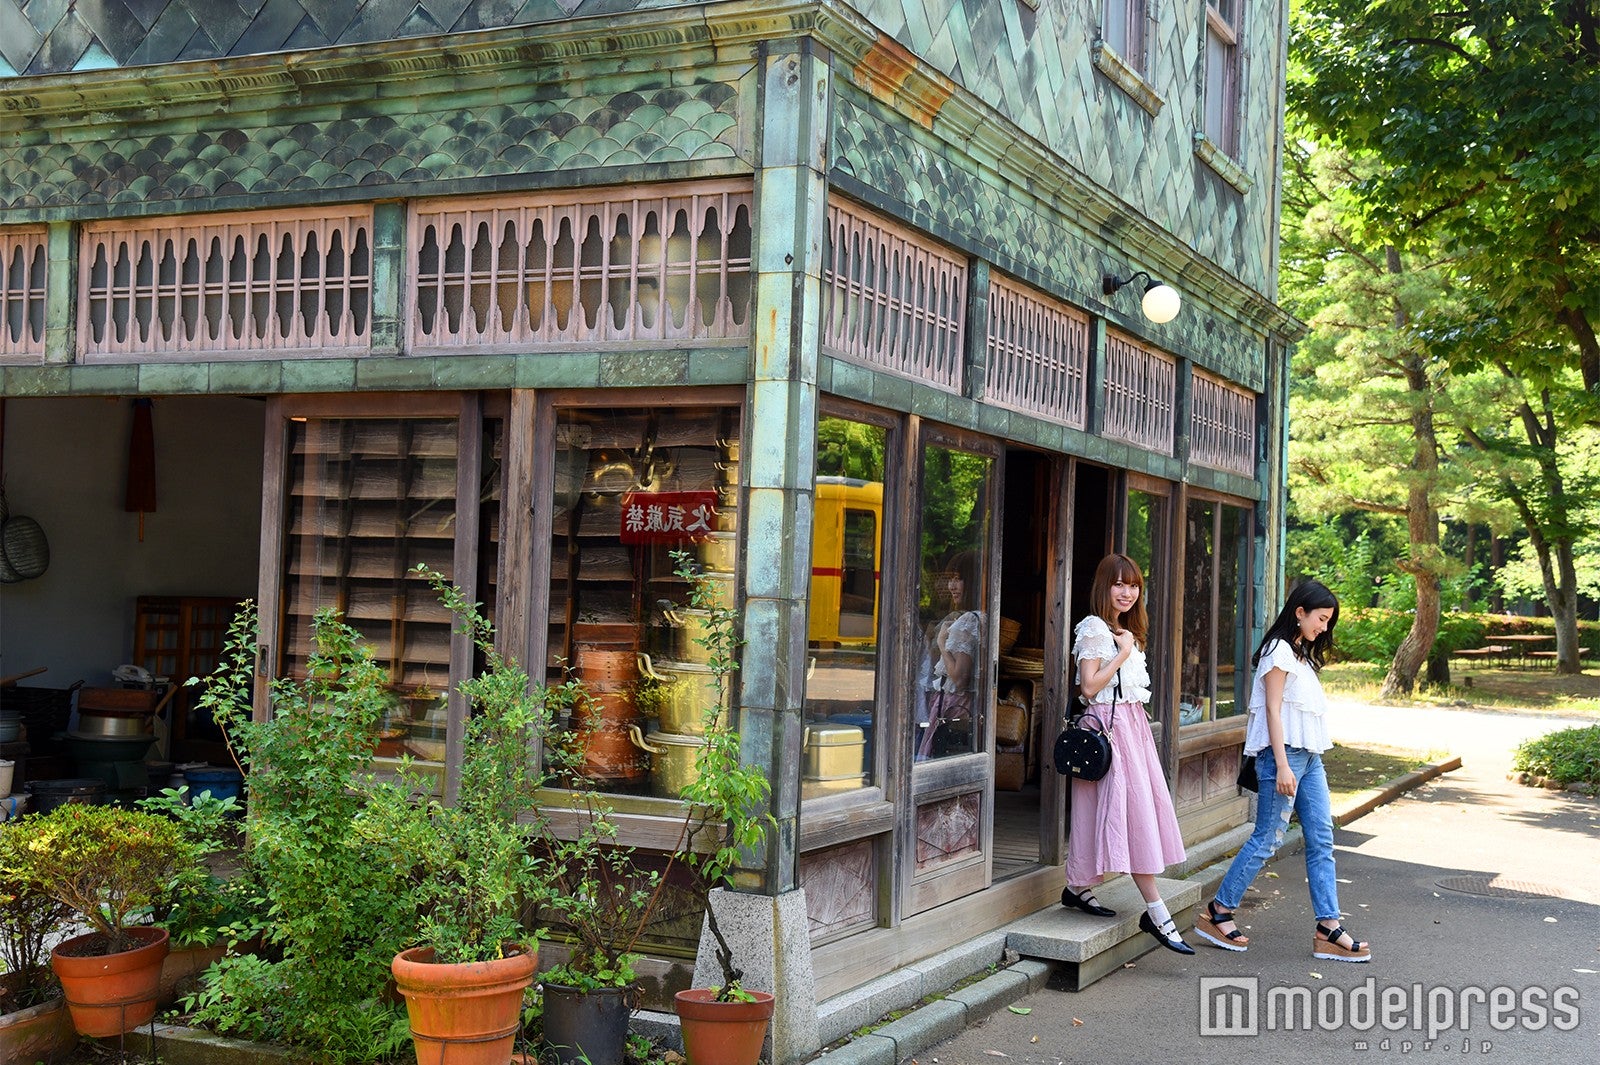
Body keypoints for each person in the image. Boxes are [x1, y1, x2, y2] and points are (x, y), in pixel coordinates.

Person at [1195, 579, 1371, 963]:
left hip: (1310, 758)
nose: (1323, 628)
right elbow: (1272, 711)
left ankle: (1328, 926)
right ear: (1300, 612)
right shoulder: (1278, 651)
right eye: (1321, 619)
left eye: (1327, 622)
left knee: (1322, 838)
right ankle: (1217, 912)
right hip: (1285, 757)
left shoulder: (1301, 654)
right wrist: (1279, 765)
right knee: (1268, 836)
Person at [1062, 554, 1193, 955]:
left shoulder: (1123, 630)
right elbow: (1088, 688)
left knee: (1121, 810)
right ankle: (1158, 914)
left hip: (1132, 731)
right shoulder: (1094, 629)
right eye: (1119, 584)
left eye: (1134, 585)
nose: (1127, 592)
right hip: (1107, 730)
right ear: (1104, 586)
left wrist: (1126, 646)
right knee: (1133, 816)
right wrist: (1121, 653)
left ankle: (1076, 886)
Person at [915, 549, 984, 761]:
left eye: (958, 579)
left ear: (970, 582)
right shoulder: (975, 617)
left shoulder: (969, 621)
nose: (951, 586)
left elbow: (959, 678)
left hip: (954, 706)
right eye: (951, 580)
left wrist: (942, 644)